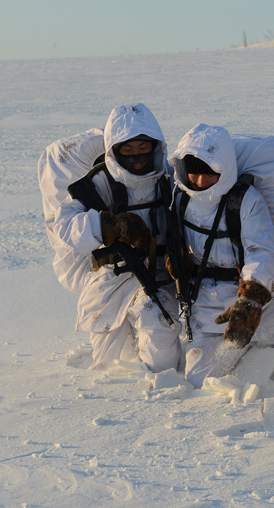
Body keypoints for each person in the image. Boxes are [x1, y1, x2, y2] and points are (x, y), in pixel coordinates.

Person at [168, 124, 274, 388]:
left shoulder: (245, 200)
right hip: (204, 305)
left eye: (210, 174)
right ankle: (252, 352)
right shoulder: (179, 198)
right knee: (200, 380)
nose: (200, 182)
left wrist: (251, 299)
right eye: (194, 173)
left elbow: (261, 251)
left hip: (254, 300)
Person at [54, 103, 181, 371]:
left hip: (158, 277)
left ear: (155, 145)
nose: (136, 155)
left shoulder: (170, 178)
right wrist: (109, 226)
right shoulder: (100, 181)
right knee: (109, 363)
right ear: (114, 149)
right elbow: (65, 225)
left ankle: (161, 389)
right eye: (127, 148)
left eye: (143, 147)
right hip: (112, 278)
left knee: (160, 346)